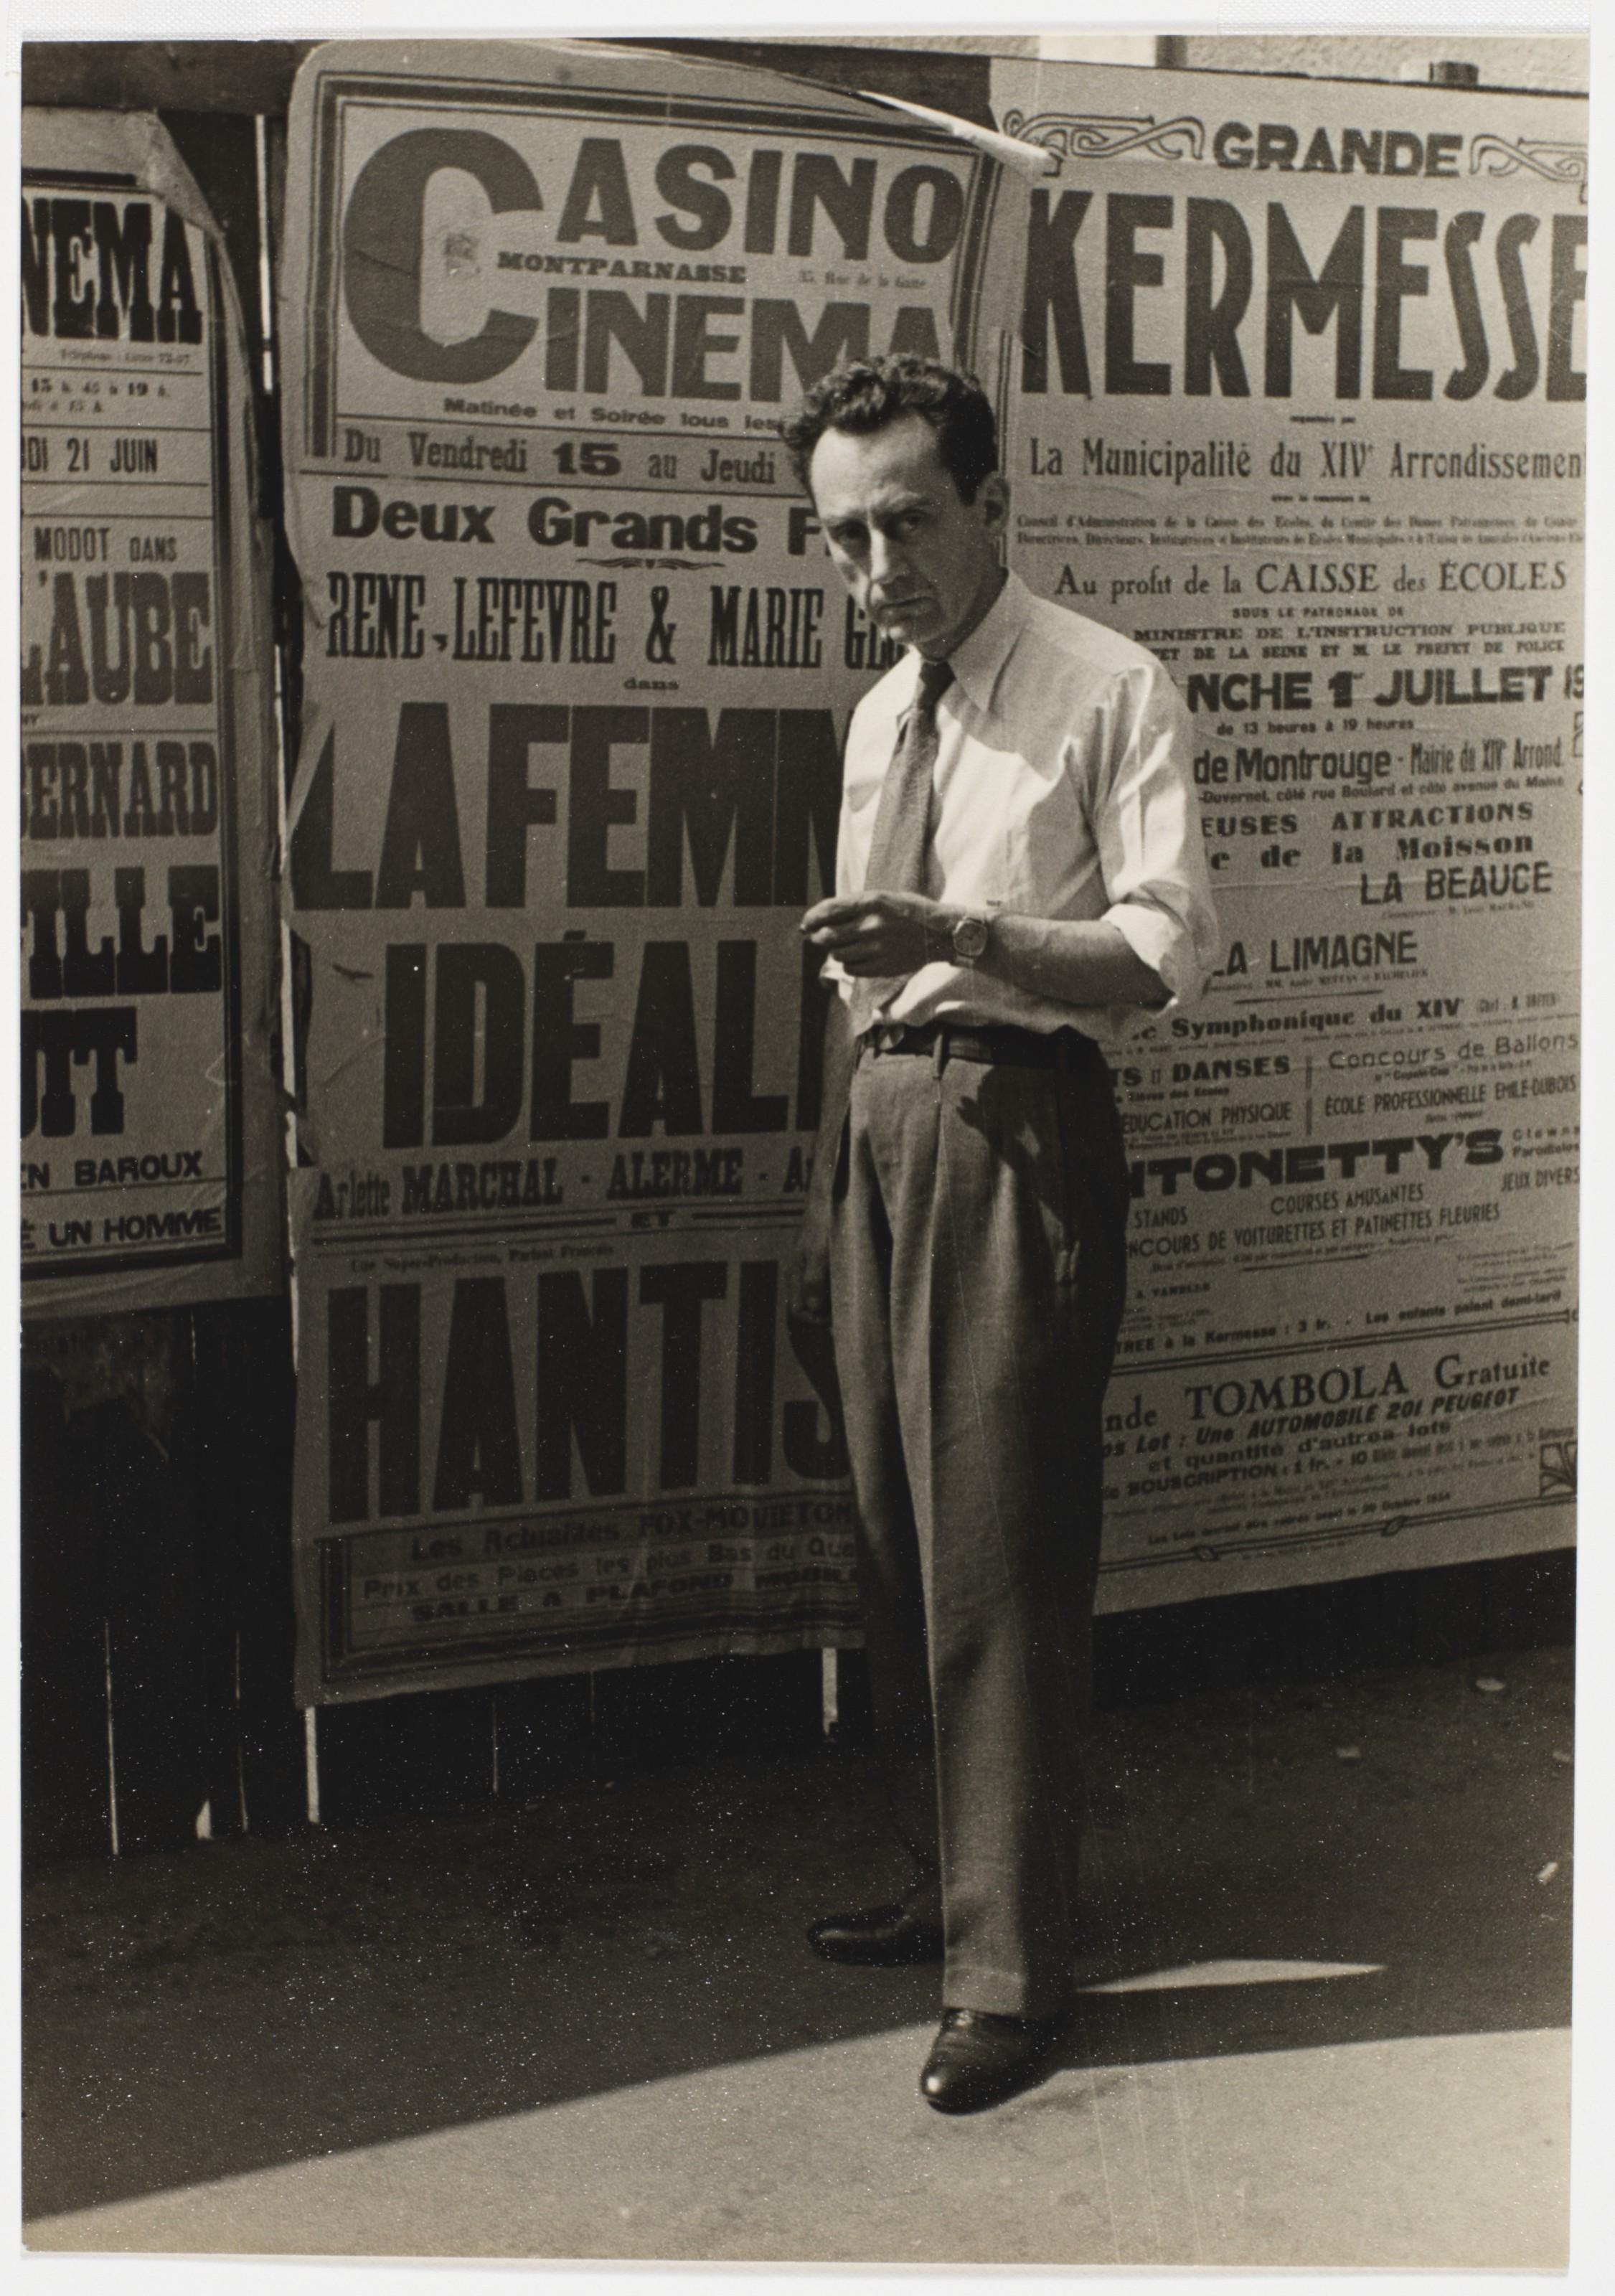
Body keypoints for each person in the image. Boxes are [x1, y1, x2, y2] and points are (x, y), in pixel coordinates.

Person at [779, 355, 1219, 2114]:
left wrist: (964, 932)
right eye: (842, 536)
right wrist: (839, 1160)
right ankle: (948, 1881)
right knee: (897, 1532)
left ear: (989, 506)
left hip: (1016, 1119)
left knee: (1000, 1545)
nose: (875, 567)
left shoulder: (1105, 685)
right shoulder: (880, 712)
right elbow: (862, 964)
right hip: (881, 1120)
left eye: (905, 522)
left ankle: (1010, 1974)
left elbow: (1159, 953)